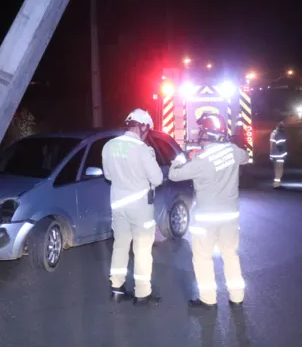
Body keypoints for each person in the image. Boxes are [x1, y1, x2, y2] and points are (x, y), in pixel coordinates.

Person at [168, 113, 250, 308]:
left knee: (203, 258)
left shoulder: (200, 160)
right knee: (230, 255)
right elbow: (245, 157)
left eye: (202, 133)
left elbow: (173, 175)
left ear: (207, 134)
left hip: (206, 219)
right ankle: (237, 298)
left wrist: (180, 158)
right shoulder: (234, 152)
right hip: (230, 217)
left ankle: (208, 299)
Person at [102, 108, 164, 305]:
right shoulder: (142, 149)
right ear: (143, 126)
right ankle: (142, 294)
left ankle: (117, 288)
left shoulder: (109, 146)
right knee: (142, 250)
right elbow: (157, 178)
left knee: (120, 246)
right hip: (140, 208)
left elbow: (109, 176)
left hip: (118, 206)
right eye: (147, 130)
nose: (147, 135)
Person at [269, 121, 287, 188]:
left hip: (274, 154)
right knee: (279, 169)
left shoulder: (273, 133)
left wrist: (270, 154)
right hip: (280, 155)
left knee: (276, 169)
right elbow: (280, 146)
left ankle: (276, 183)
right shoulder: (280, 134)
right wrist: (284, 154)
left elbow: (271, 145)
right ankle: (277, 184)